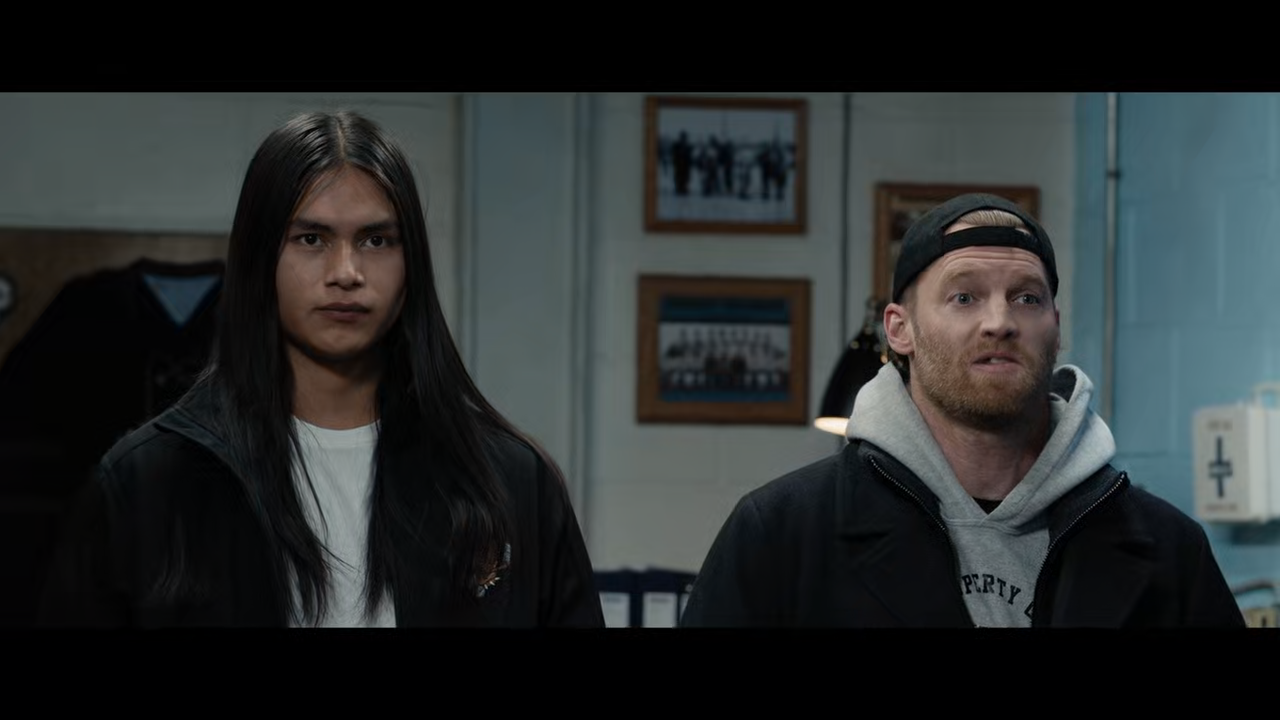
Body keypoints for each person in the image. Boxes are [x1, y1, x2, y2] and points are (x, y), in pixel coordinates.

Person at [38, 110, 605, 628]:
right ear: (261, 258)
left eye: (376, 240)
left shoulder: (509, 482)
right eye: (311, 238)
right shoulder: (149, 483)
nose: (346, 272)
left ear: (410, 264)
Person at [680, 192, 1245, 628]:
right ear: (899, 329)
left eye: (1027, 297)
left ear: (1055, 328)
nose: (999, 322)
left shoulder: (1168, 550)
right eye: (964, 297)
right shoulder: (783, 535)